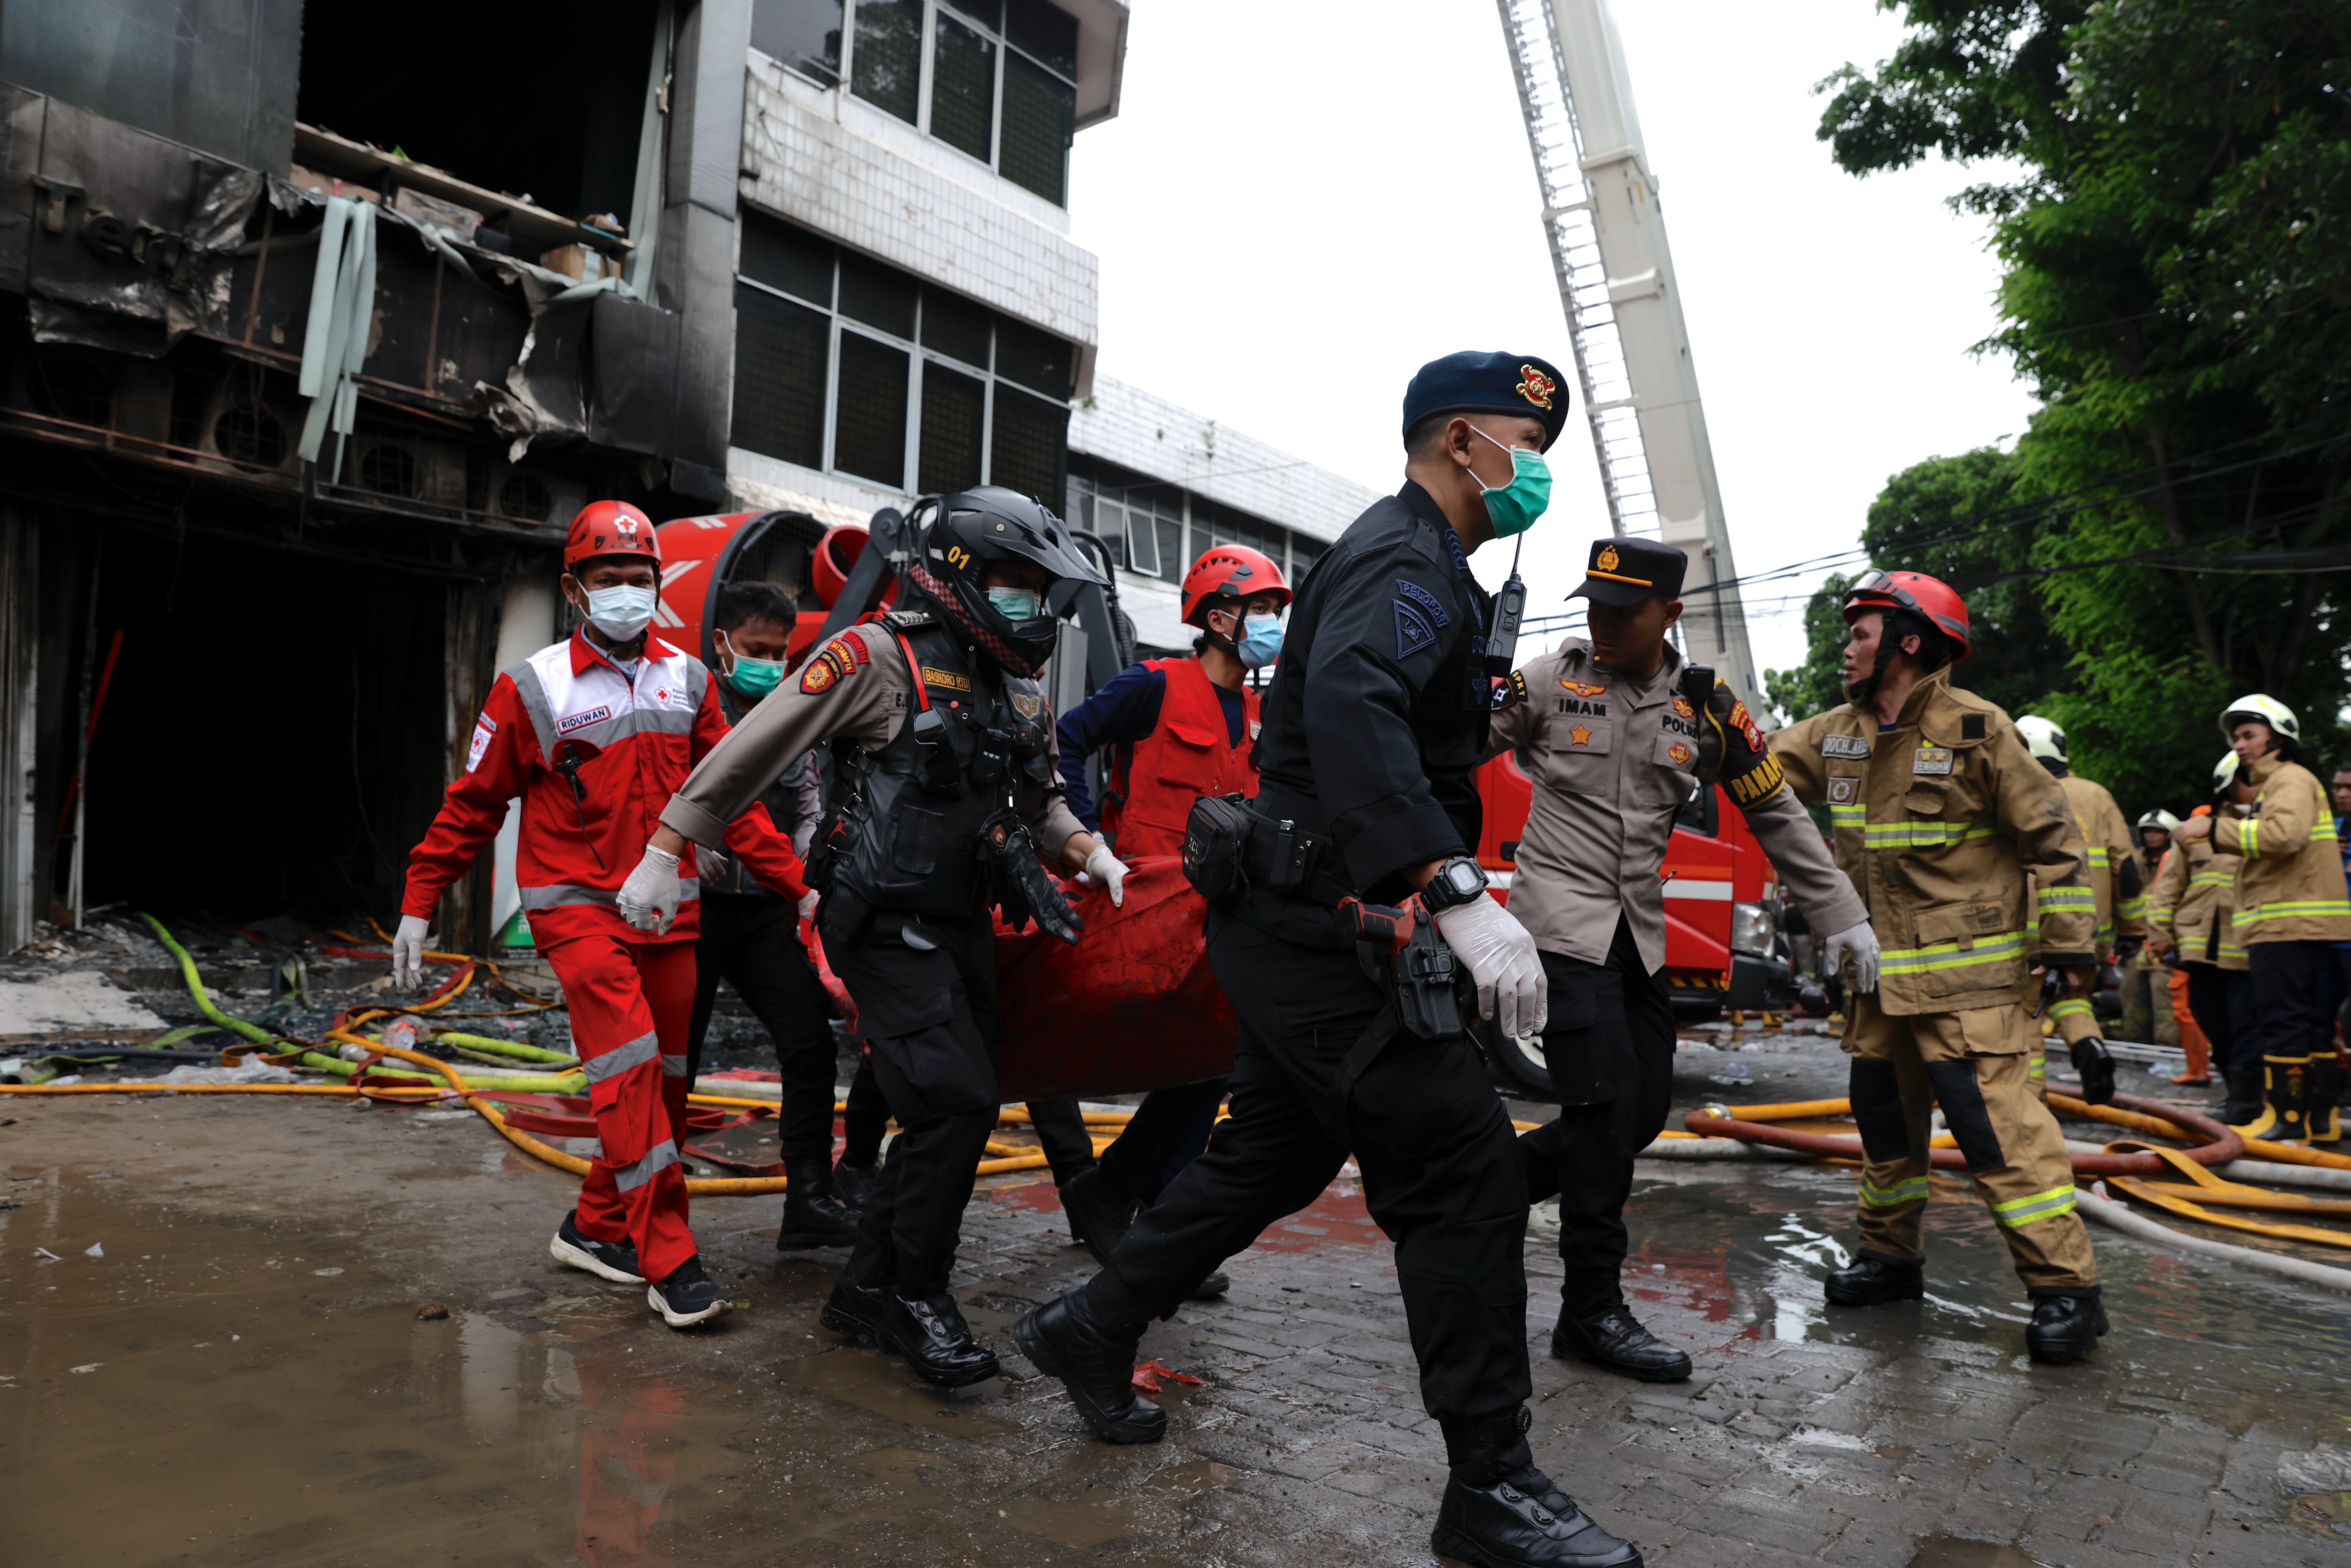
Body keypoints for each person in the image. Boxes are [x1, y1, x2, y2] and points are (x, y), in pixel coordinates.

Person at [1019, 351, 1646, 1568]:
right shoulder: (1401, 559)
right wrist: (1451, 883)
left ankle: (1091, 1322)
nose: (1537, 472)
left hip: (1302, 924)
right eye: (1525, 445)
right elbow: (1356, 710)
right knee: (1463, 1171)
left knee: (1273, 1153)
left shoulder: (1435, 568)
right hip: (1322, 935)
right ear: (1462, 442)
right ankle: (1490, 1484)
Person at [618, 486, 1128, 1387]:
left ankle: (863, 1291)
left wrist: (1093, 854)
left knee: (953, 1105)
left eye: (1039, 589)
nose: (1032, 605)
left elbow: (1038, 802)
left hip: (962, 920)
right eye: (1015, 582)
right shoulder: (876, 656)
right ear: (963, 573)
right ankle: (916, 1297)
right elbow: (754, 748)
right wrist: (669, 847)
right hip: (880, 921)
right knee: (958, 1105)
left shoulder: (1017, 685)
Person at [394, 501, 810, 1330]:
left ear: (659, 584)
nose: (626, 590)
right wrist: (419, 898)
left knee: (669, 1085)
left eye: (639, 576)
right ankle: (671, 1261)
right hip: (577, 910)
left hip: (669, 913)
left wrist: (798, 885)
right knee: (629, 1071)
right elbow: (474, 803)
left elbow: (730, 801)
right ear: (574, 589)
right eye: (608, 577)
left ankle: (594, 1225)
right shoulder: (533, 686)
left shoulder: (689, 680)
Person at [1495, 536, 1872, 1383]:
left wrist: (1842, 916)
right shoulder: (1550, 680)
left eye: (1623, 611)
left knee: (1639, 1113)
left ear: (1669, 614)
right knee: (1600, 1116)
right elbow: (1446, 749)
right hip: (1557, 929)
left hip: (1636, 936)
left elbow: (1775, 810)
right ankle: (1591, 1311)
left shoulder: (1705, 707)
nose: (1602, 623)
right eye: (1594, 605)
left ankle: (1480, 1190)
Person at [1770, 570, 2109, 1363]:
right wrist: (1706, 717)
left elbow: (2054, 839)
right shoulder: (1837, 734)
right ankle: (1889, 1259)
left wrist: (2068, 947)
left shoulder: (1978, 730)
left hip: (1969, 989)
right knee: (1887, 1135)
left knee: (2003, 1140)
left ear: (1908, 642)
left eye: (1862, 633)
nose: (1848, 647)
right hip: (1878, 988)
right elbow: (1754, 765)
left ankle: (2067, 1291)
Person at [1048, 542, 1295, 1296]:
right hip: (1146, 907)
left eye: (1276, 612)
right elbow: (1066, 741)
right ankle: (1121, 1196)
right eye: (1262, 610)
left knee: (1211, 1062)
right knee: (1202, 1064)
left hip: (1218, 912)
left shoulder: (1255, 712)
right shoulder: (1153, 684)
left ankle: (1146, 1215)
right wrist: (1088, 844)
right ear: (1219, 619)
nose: (1273, 624)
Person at [685, 580, 858, 1252]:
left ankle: (809, 1199)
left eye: (777, 651)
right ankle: (650, 1202)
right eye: (754, 648)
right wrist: (684, 847)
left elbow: (809, 807)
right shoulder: (689, 704)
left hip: (766, 911)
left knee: (809, 1042)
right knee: (675, 1059)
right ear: (722, 642)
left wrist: (810, 879)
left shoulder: (795, 715)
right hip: (693, 913)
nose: (767, 662)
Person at [2172, 696, 2351, 1143]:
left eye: (2249, 735)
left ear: (2279, 738)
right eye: (2236, 737)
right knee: (2311, 1025)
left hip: (2286, 926)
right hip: (2305, 925)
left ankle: (2286, 1119)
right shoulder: (2290, 782)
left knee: (2283, 1023)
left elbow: (2282, 836)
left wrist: (2212, 828)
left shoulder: (2287, 779)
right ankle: (2320, 1122)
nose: (2239, 745)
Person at [2012, 716, 2136, 1102]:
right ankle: (2089, 1044)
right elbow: (2126, 869)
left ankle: (2030, 1105)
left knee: (2025, 1013)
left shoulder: (2015, 794)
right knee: (2071, 998)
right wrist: (2134, 929)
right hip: (2087, 935)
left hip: (2028, 934)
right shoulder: (2097, 796)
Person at [2148, 767, 2252, 1117]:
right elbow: (2169, 887)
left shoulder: (2264, 829)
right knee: (2210, 1019)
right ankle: (2236, 1091)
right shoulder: (2193, 835)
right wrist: (2160, 933)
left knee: (2247, 1025)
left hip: (2247, 948)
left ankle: (2246, 1101)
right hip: (2200, 947)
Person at [2122, 810, 2180, 1055]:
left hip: (2164, 945)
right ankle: (2135, 1051)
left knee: (2165, 1002)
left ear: (2169, 835)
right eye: (2147, 831)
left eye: (2157, 831)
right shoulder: (2135, 863)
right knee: (2133, 999)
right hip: (2137, 946)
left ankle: (2168, 1054)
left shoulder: (2177, 862)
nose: (2151, 836)